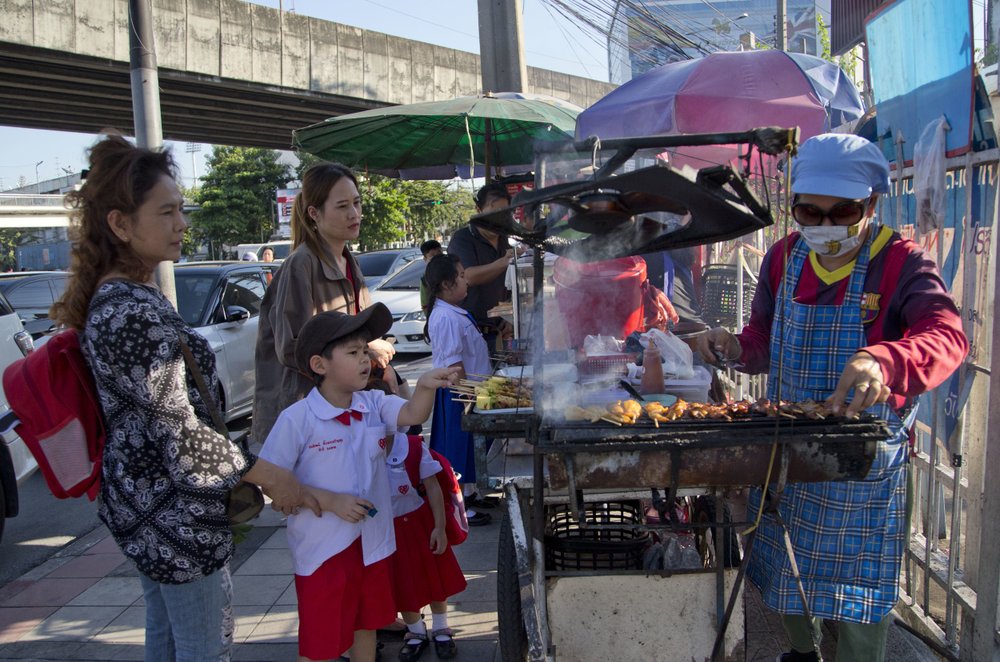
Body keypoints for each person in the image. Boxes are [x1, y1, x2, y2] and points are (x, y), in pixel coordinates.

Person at [695, 133, 968, 662]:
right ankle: (802, 650)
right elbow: (762, 342)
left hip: (860, 462)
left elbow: (948, 337)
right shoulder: (783, 259)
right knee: (788, 561)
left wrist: (886, 360)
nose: (825, 226)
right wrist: (731, 346)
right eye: (809, 212)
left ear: (871, 203)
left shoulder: (900, 264)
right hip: (788, 450)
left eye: (843, 212)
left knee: (860, 584)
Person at [49, 134, 316, 661]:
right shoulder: (129, 311)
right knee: (203, 648)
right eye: (167, 212)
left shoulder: (124, 296)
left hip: (148, 509)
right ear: (121, 224)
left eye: (182, 210)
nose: (182, 225)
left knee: (170, 641)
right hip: (173, 517)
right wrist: (269, 475)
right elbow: (181, 434)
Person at [257, 303, 459, 662]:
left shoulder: (373, 403)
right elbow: (267, 478)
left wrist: (427, 385)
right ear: (320, 365)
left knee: (366, 627)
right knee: (322, 642)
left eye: (366, 350)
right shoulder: (298, 419)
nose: (365, 359)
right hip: (325, 553)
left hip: (374, 545)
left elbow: (412, 414)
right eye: (353, 353)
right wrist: (328, 500)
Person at [253, 162, 396, 442]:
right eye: (342, 206)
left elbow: (361, 327)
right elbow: (292, 348)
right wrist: (366, 348)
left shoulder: (349, 261)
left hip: (345, 404)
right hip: (309, 412)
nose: (354, 214)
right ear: (314, 213)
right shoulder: (301, 264)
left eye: (357, 203)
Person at [424, 254, 495, 526]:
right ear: (446, 284)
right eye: (462, 276)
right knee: (457, 449)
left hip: (472, 389)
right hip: (458, 392)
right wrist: (468, 395)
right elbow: (454, 364)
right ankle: (458, 505)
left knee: (473, 447)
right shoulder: (445, 317)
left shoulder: (453, 311)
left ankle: (471, 494)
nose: (467, 281)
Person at [385, 433, 467, 661]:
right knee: (402, 582)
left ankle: (441, 627)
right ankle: (415, 631)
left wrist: (439, 527)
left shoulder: (411, 447)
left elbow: (433, 487)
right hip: (388, 530)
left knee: (434, 577)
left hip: (421, 523)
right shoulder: (360, 449)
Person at [446, 183, 516, 356]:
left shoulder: (503, 239)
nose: (499, 217)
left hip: (500, 330)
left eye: (504, 212)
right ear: (479, 209)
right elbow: (469, 276)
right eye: (493, 211)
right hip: (472, 331)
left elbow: (508, 285)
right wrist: (505, 261)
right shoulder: (462, 239)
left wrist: (511, 318)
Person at [418, 239, 443, 314]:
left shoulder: (454, 270)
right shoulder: (425, 280)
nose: (437, 258)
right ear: (425, 259)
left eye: (439, 253)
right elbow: (425, 305)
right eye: (432, 256)